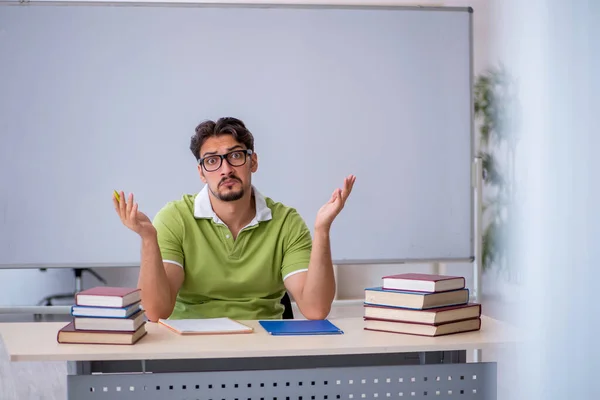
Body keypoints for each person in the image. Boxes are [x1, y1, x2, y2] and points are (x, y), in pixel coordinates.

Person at [113, 117, 355, 322]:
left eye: (235, 156)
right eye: (212, 160)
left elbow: (315, 309)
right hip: (189, 351)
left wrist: (322, 230)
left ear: (253, 162)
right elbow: (156, 312)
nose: (225, 169)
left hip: (265, 350)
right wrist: (148, 239)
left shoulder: (286, 222)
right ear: (201, 172)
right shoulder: (174, 218)